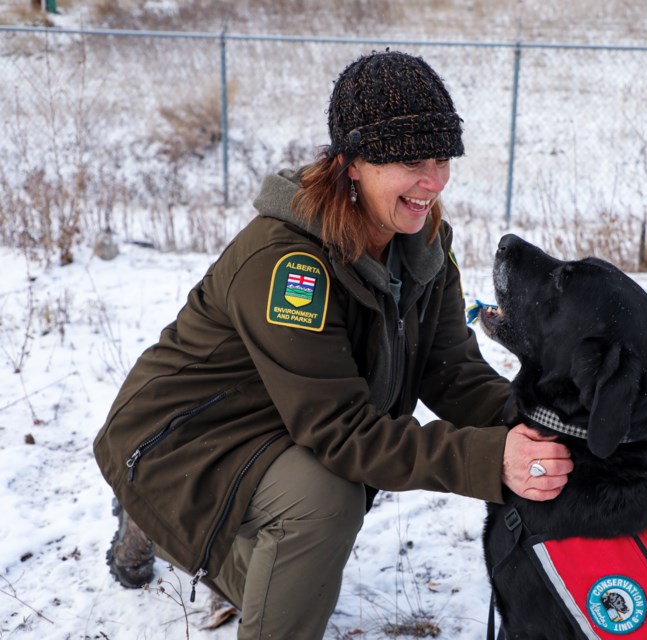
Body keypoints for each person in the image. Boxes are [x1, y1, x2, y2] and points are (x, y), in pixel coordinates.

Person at [92, 50, 573, 639]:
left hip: (280, 423)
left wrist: (536, 422)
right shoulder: (290, 267)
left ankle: (186, 533)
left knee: (296, 573)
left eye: (444, 158)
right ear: (350, 163)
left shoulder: (420, 239)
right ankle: (152, 514)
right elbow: (341, 432)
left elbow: (449, 369)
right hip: (179, 443)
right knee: (324, 500)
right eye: (412, 161)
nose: (434, 181)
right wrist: (489, 459)